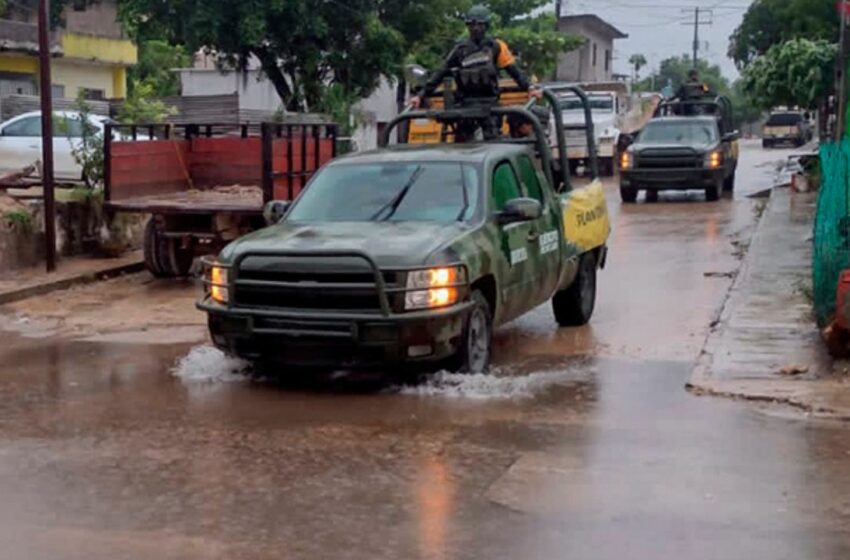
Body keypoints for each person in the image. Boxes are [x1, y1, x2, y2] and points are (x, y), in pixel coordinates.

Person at [409, 4, 542, 141]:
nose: (476, 28)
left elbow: (514, 71)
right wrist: (420, 95)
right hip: (465, 103)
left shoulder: (496, 47)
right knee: (462, 143)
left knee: (493, 140)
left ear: (486, 26)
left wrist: (529, 87)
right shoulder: (460, 49)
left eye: (480, 24)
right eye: (472, 25)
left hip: (489, 104)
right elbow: (440, 73)